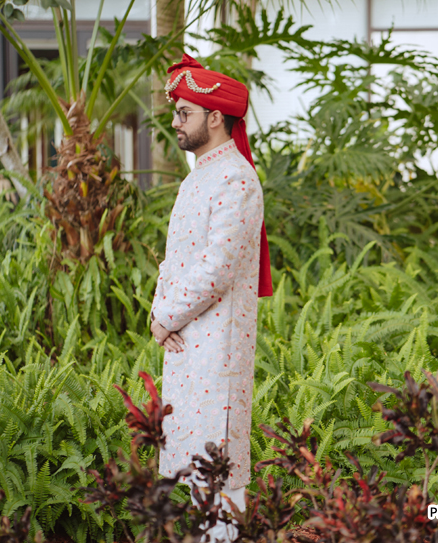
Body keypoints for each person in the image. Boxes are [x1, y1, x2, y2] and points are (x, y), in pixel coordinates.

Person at [149, 53, 273, 541]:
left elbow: (217, 269)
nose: (175, 122)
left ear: (216, 118)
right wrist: (162, 313)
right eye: (176, 112)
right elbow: (174, 257)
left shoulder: (237, 179)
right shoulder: (200, 173)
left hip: (215, 345)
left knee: (221, 477)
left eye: (185, 113)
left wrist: (165, 317)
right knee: (198, 476)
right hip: (188, 341)